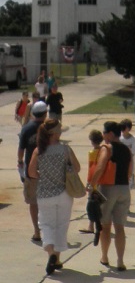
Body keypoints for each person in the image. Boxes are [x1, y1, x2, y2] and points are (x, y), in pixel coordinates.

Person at [28, 117, 81, 274]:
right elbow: (77, 168)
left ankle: (51, 254)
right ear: (55, 133)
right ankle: (56, 258)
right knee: (61, 225)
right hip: (64, 192)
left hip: (45, 193)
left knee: (46, 225)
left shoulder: (39, 151)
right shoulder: (65, 149)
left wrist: (43, 175)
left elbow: (31, 172)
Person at [88, 120, 132, 271]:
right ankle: (120, 260)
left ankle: (105, 257)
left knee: (105, 226)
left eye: (105, 133)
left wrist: (92, 185)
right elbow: (130, 172)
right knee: (120, 227)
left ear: (111, 134)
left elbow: (100, 168)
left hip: (108, 188)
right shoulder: (127, 150)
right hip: (124, 189)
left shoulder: (107, 148)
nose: (103, 135)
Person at [17, 99, 49, 243]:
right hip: (49, 170)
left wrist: (20, 164)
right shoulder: (49, 128)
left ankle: (37, 231)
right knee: (48, 201)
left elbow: (21, 150)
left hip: (31, 170)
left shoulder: (26, 128)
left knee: (33, 202)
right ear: (45, 113)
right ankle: (49, 230)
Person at [79, 130, 104, 235]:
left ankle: (91, 226)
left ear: (92, 141)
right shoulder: (104, 151)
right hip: (103, 181)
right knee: (100, 204)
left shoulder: (92, 153)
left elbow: (91, 169)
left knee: (91, 203)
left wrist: (89, 182)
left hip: (94, 181)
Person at [119, 119, 135, 189]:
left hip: (129, 162)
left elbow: (133, 152)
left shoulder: (133, 139)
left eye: (124, 128)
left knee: (130, 184)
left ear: (128, 128)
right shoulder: (119, 138)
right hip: (120, 163)